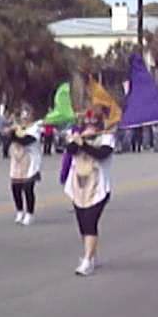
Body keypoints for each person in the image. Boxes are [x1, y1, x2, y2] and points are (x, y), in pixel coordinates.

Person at [64, 109, 115, 276]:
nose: (91, 125)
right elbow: (70, 150)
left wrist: (84, 144)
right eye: (88, 122)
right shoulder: (78, 136)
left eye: (95, 122)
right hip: (79, 186)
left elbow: (102, 154)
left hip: (98, 186)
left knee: (90, 222)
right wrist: (78, 139)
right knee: (82, 223)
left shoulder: (106, 138)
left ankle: (87, 261)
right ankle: (92, 255)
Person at [6, 107, 43, 226]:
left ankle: (29, 213)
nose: (25, 119)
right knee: (15, 187)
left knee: (28, 188)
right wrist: (11, 132)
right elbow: (10, 140)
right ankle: (19, 211)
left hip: (31, 161)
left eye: (27, 117)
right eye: (23, 117)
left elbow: (25, 141)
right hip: (17, 160)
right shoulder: (18, 128)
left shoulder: (35, 128)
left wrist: (12, 134)